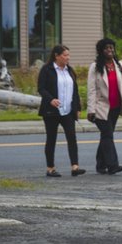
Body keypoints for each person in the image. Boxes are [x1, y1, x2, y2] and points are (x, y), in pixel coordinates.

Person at [86, 38, 122, 176]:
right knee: (108, 135)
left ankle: (100, 165)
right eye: (107, 48)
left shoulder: (119, 66)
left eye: (112, 48)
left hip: (115, 107)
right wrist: (91, 110)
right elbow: (91, 90)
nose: (110, 50)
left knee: (106, 136)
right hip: (101, 107)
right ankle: (113, 165)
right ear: (101, 51)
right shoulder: (95, 67)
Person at [36, 45, 85, 177]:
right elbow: (41, 88)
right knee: (51, 138)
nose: (67, 58)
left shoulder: (70, 70)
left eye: (68, 55)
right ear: (56, 56)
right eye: (65, 55)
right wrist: (50, 99)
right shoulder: (47, 69)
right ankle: (50, 168)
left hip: (68, 111)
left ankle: (75, 167)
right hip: (51, 111)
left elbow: (75, 91)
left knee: (72, 137)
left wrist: (77, 108)